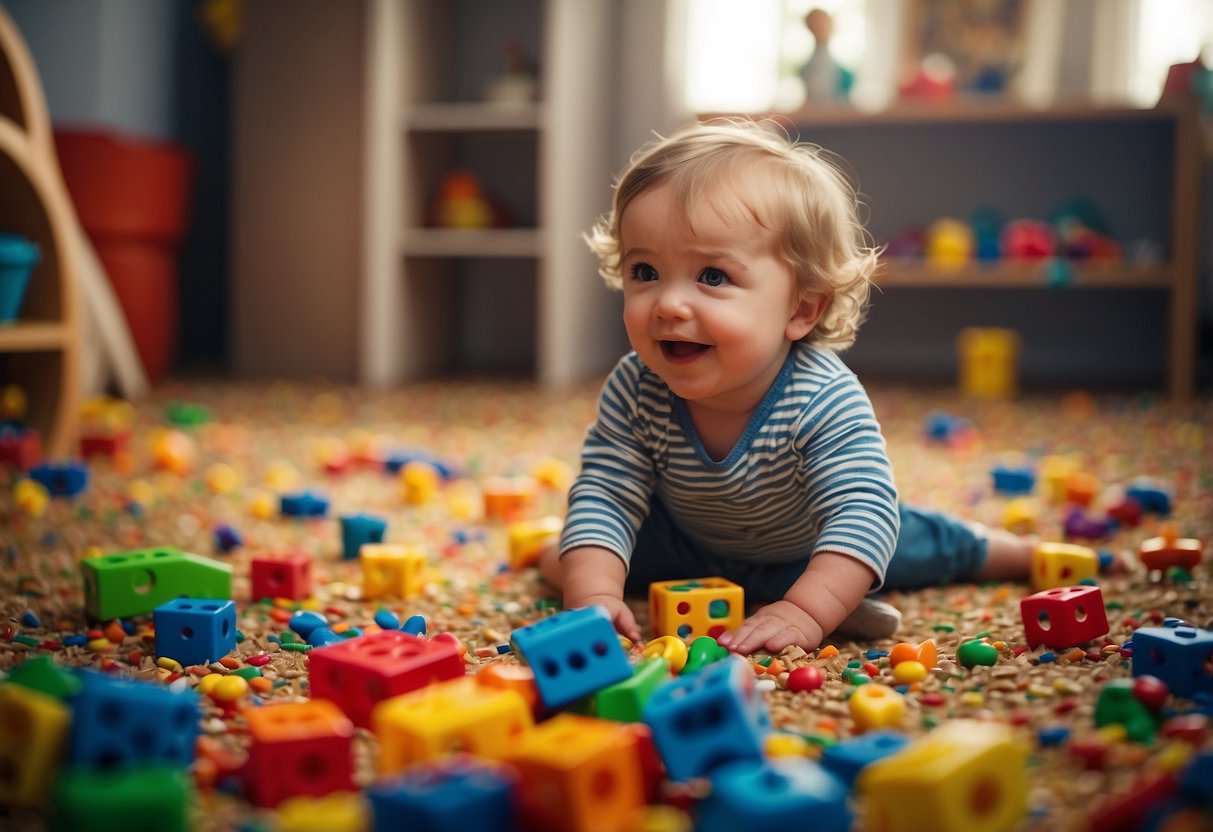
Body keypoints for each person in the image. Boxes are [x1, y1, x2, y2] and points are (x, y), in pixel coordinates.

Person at [540, 119, 1033, 656]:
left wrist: (806, 611)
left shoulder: (822, 399)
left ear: (800, 308)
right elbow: (608, 490)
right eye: (645, 271)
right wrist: (593, 592)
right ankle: (801, 596)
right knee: (573, 556)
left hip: (806, 543)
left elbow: (859, 511)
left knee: (916, 548)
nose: (669, 304)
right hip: (686, 537)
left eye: (711, 276)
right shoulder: (636, 386)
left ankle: (1016, 553)